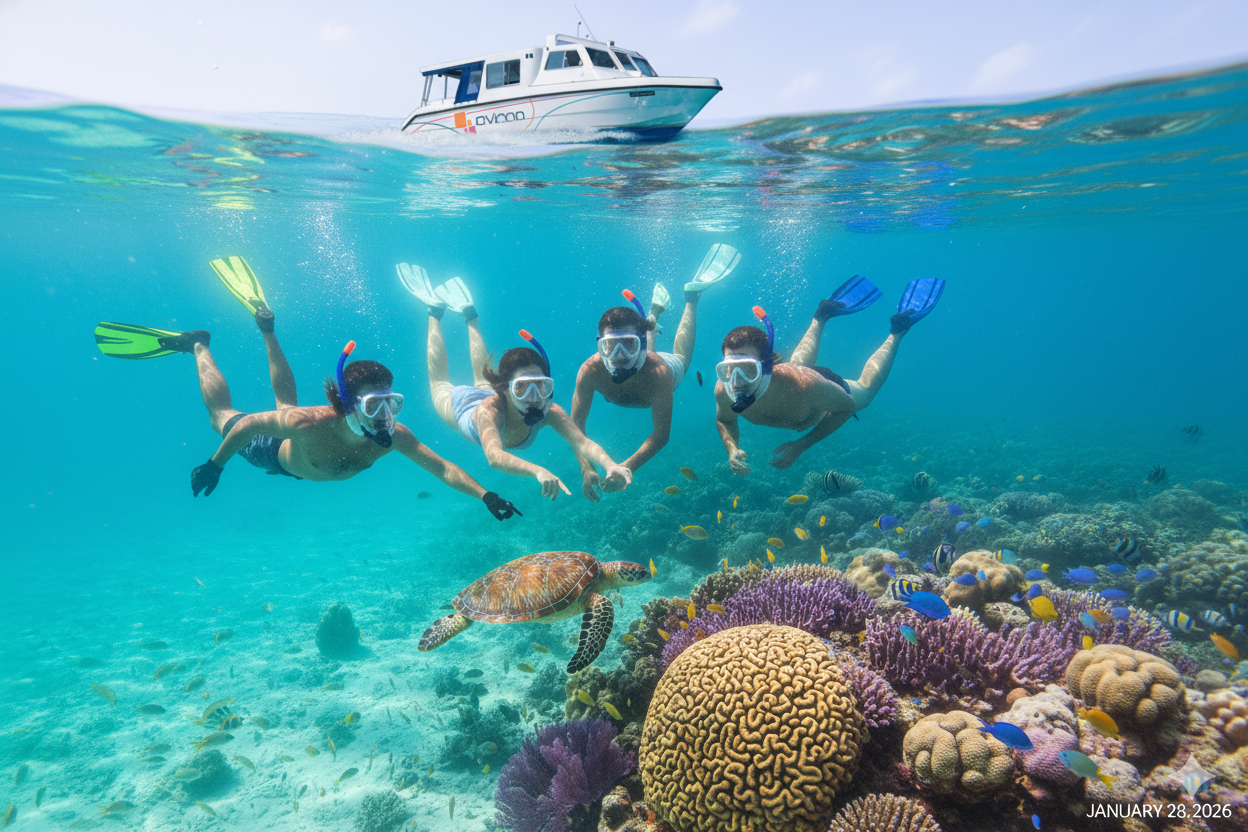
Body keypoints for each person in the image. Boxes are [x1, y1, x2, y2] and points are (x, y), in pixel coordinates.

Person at [93, 256, 521, 520]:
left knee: (286, 407)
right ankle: (198, 345)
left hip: (298, 449)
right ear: (349, 406)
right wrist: (215, 464)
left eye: (392, 403)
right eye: (374, 405)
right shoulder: (309, 422)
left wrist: (486, 495)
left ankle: (266, 328)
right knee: (222, 418)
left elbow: (441, 467)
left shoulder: (395, 436)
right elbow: (244, 430)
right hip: (270, 454)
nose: (386, 417)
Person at [399, 264, 633, 500]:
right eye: (521, 388)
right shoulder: (487, 412)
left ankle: (469, 314)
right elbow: (494, 456)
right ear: (506, 390)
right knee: (440, 383)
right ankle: (434, 311)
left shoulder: (550, 410)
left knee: (483, 377)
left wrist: (609, 464)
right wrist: (537, 470)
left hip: (492, 393)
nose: (533, 397)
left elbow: (582, 442)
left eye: (540, 386)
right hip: (465, 406)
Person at [714, 277, 945, 474]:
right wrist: (732, 449)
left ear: (766, 365)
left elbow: (847, 407)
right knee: (796, 366)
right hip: (791, 380)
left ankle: (898, 330)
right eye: (727, 369)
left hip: (816, 383)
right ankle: (821, 315)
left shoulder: (807, 387)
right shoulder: (724, 389)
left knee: (865, 393)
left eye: (747, 368)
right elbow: (725, 419)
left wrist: (801, 446)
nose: (736, 380)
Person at [569, 244, 740, 500]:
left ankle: (691, 300)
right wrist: (586, 467)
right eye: (609, 346)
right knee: (641, 349)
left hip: (665, 366)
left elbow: (661, 435)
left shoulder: (660, 373)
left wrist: (624, 468)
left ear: (640, 343)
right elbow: (575, 426)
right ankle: (653, 315)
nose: (618, 356)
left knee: (682, 356)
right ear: (600, 345)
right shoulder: (590, 370)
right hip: (645, 360)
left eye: (628, 344)